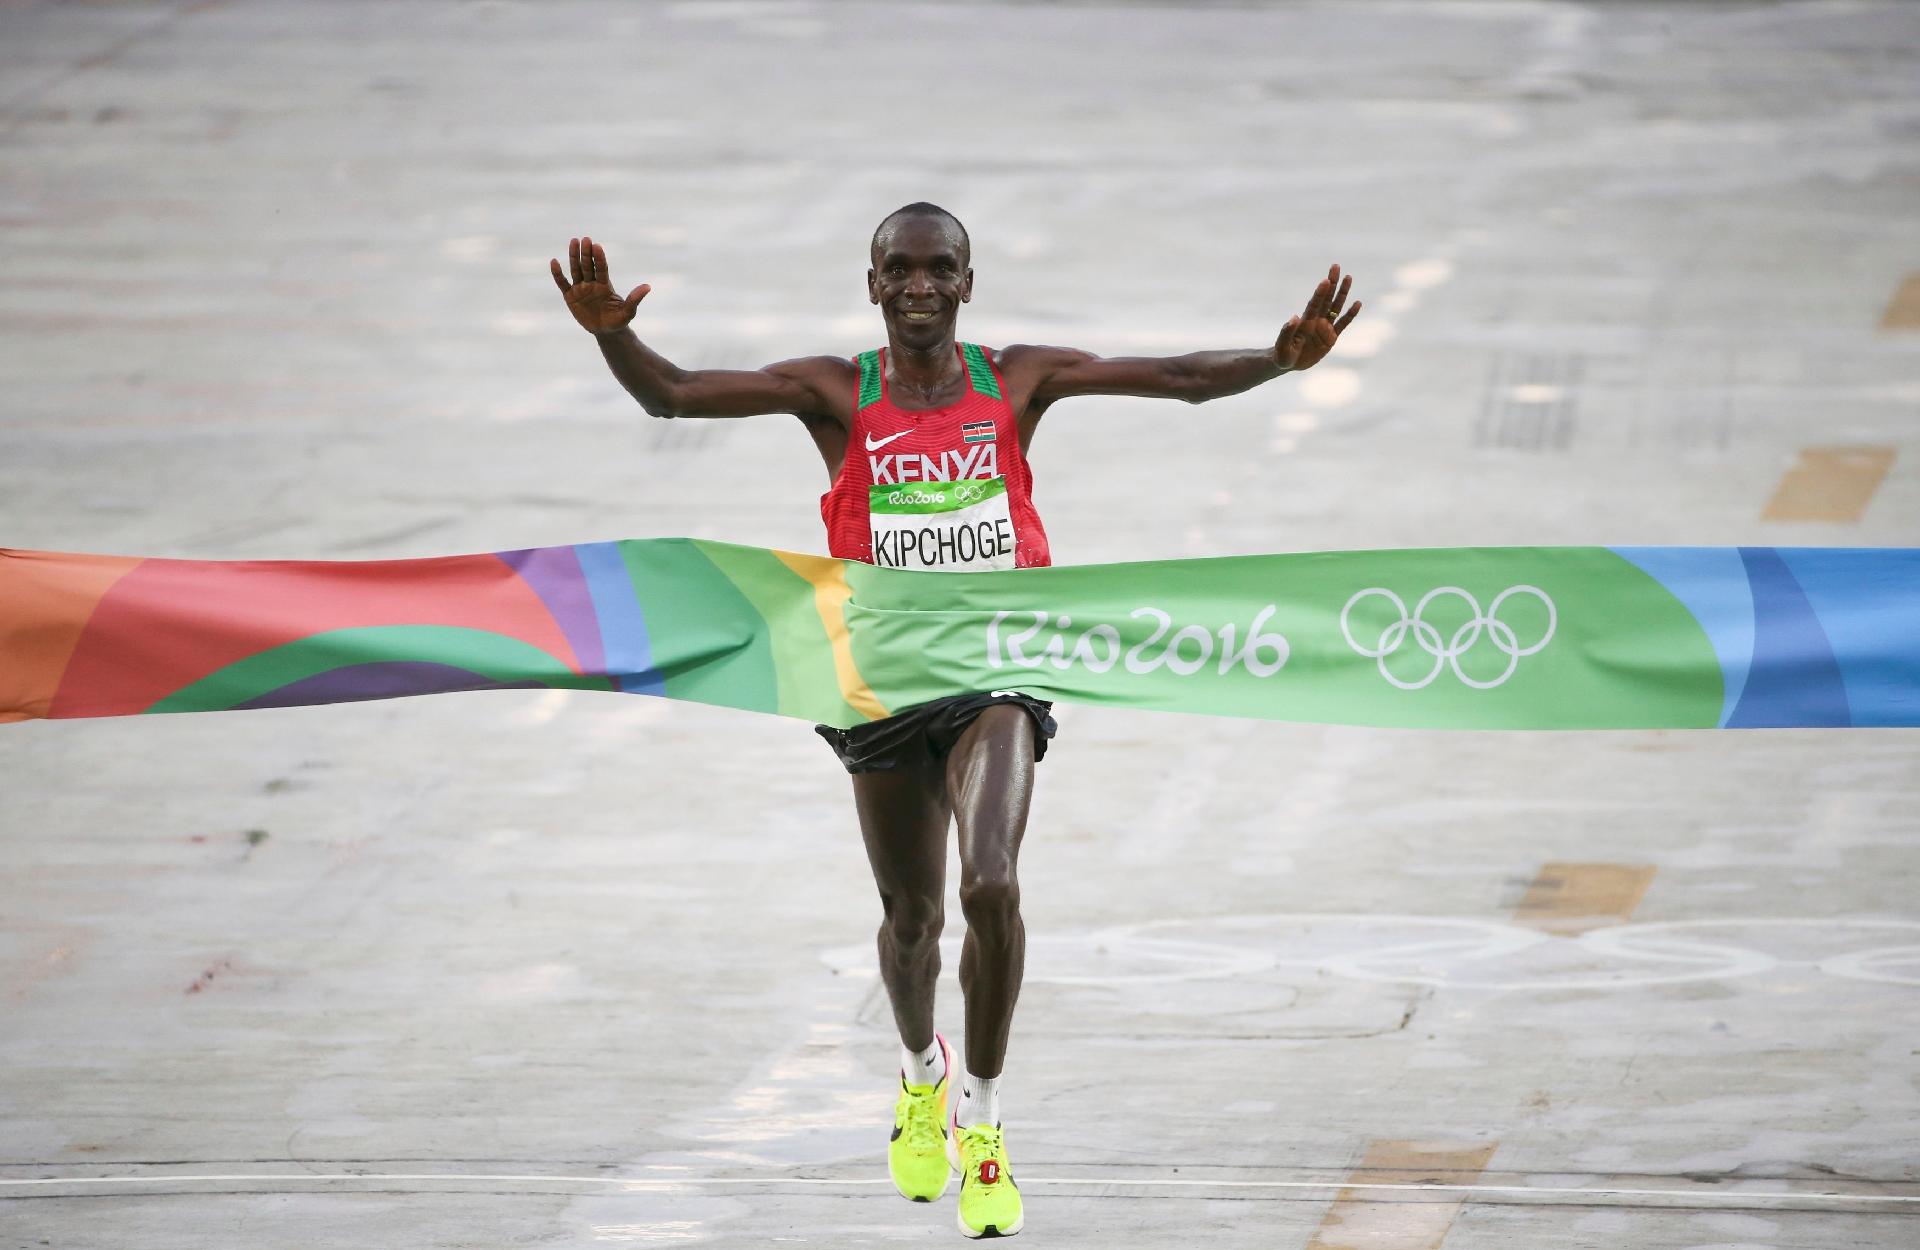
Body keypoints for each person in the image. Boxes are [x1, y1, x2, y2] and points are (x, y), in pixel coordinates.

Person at [550, 204, 1359, 1239]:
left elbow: (1177, 377)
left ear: (968, 282)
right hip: (885, 685)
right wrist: (614, 333)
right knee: (912, 923)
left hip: (996, 671)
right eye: (900, 269)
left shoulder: (1014, 380)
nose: (920, 286)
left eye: (940, 269)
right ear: (873, 284)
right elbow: (672, 394)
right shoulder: (835, 392)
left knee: (992, 884)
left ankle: (981, 1116)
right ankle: (919, 1073)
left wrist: (1277, 360)